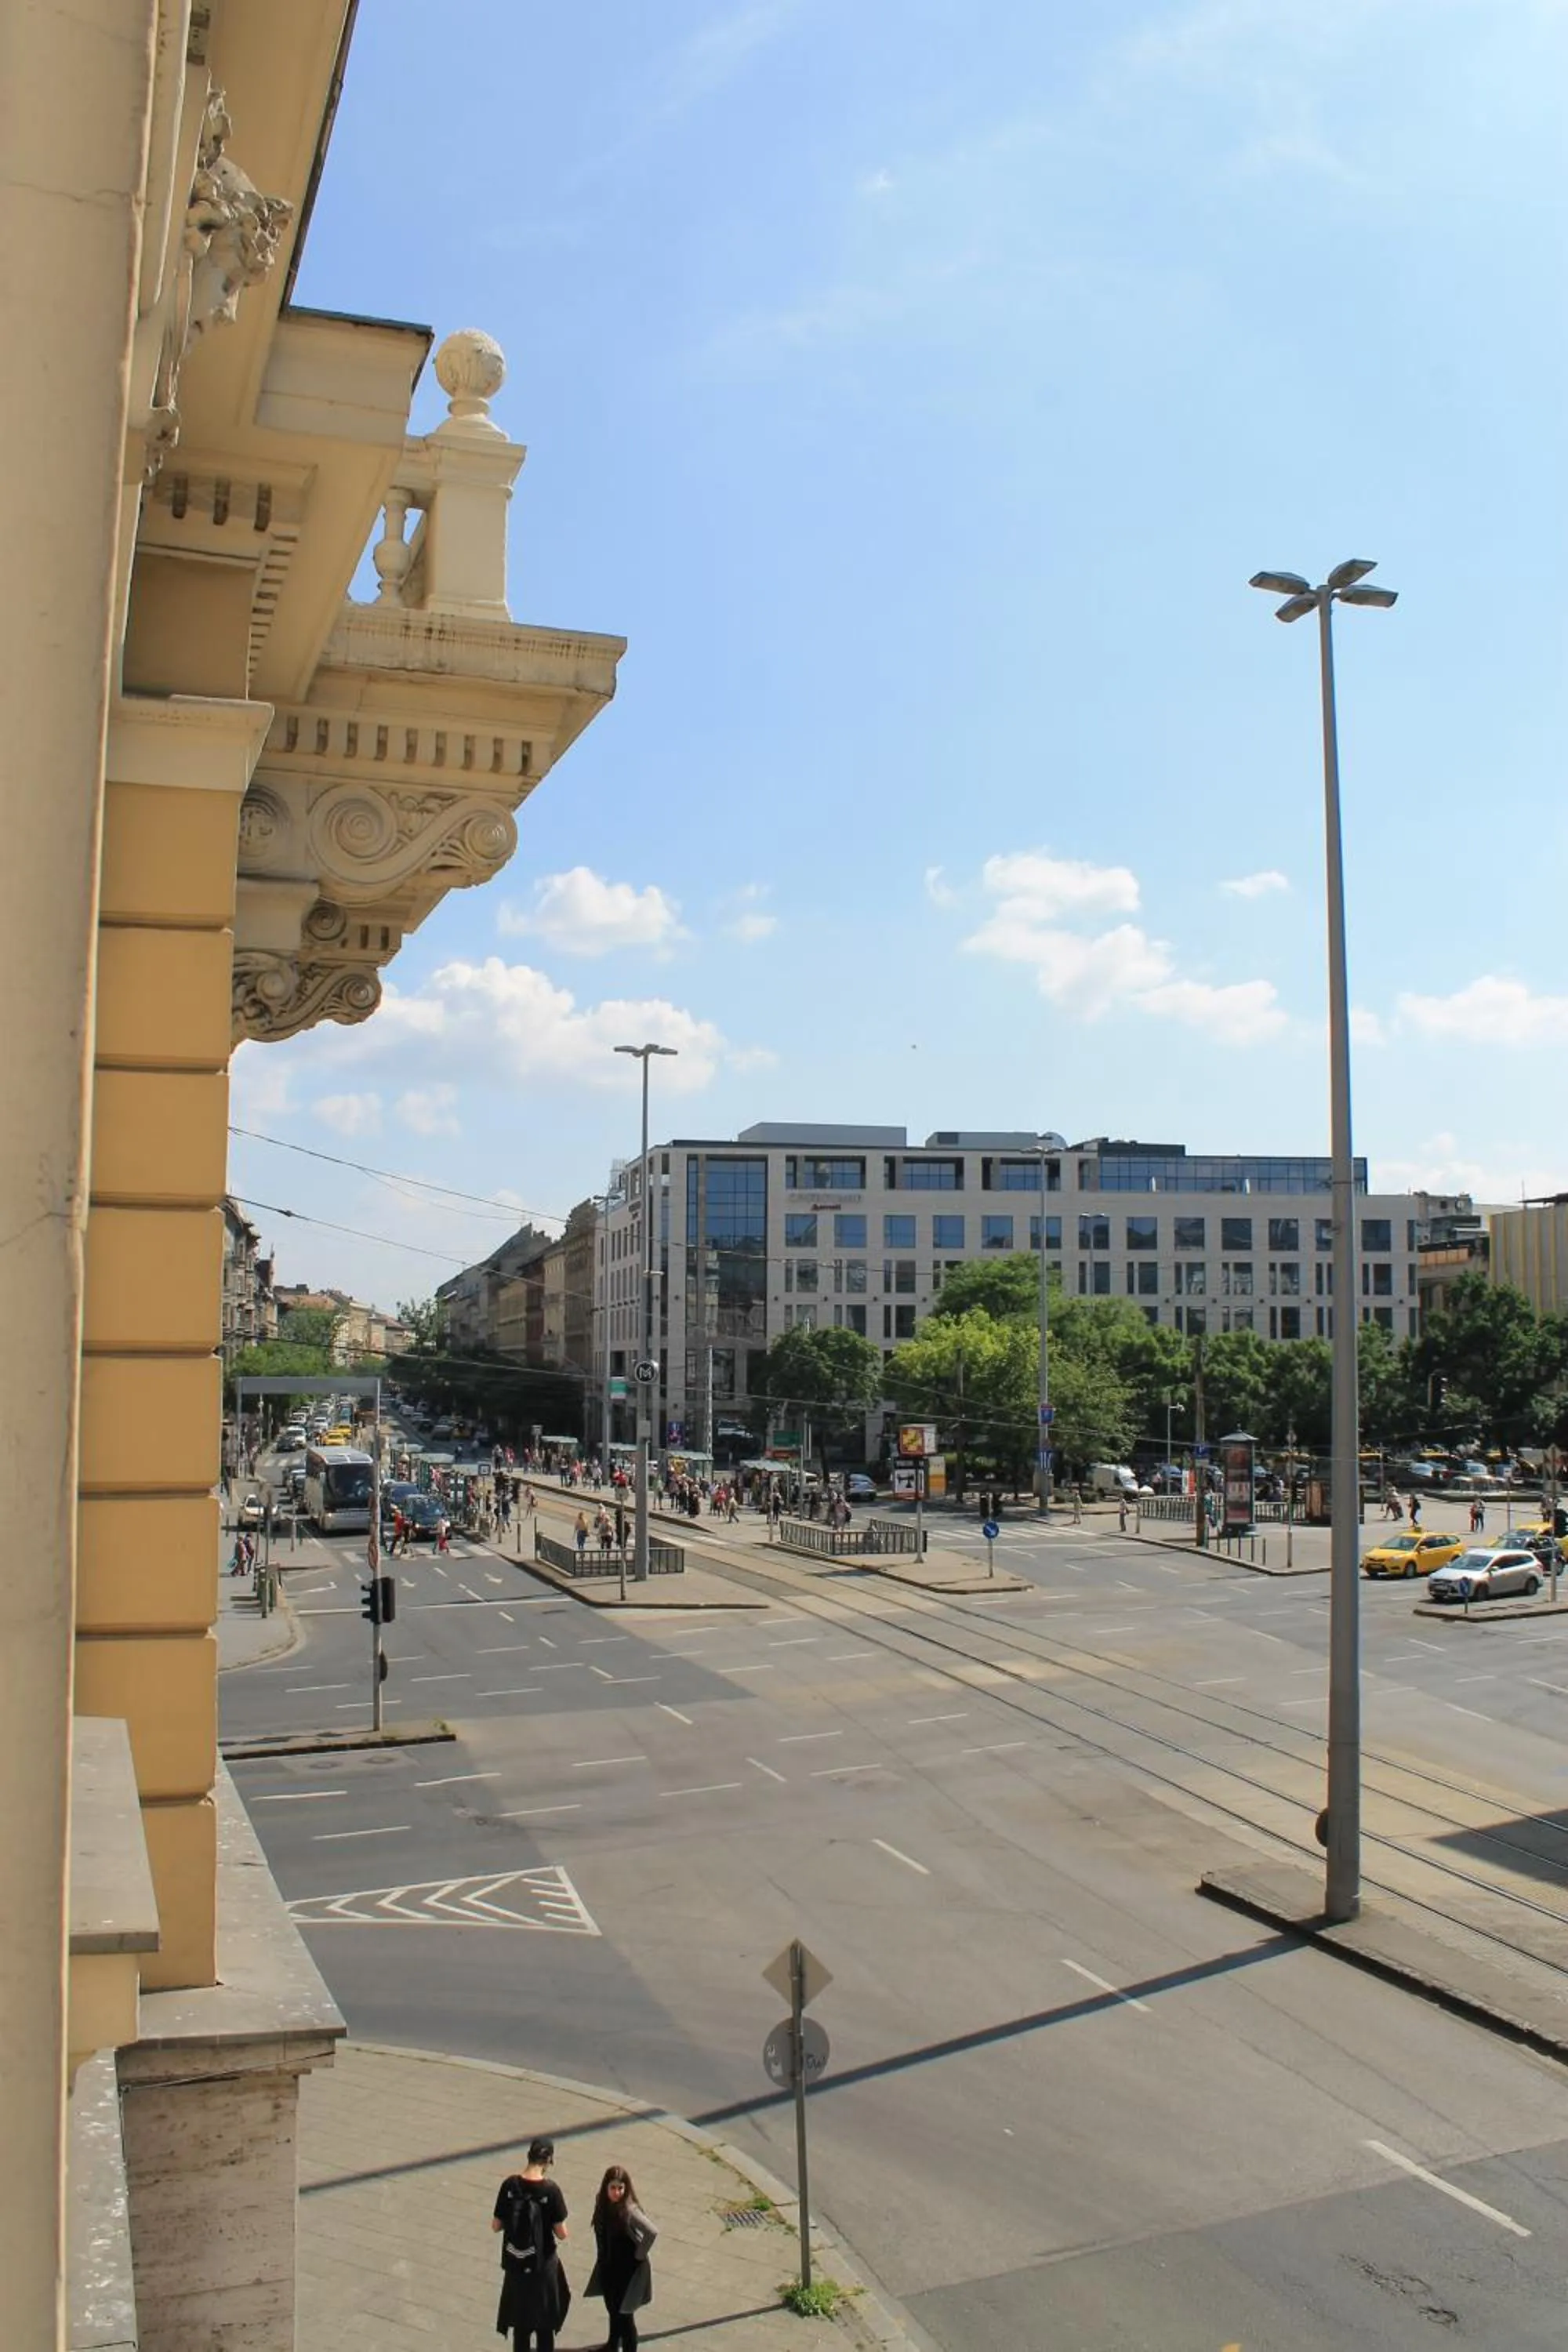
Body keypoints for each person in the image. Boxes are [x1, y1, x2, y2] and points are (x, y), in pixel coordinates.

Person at [492, 2138, 569, 2350]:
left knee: (521, 2327)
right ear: (548, 2161)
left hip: (516, 2265)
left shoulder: (510, 2185)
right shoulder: (551, 2190)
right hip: (543, 2266)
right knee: (545, 2328)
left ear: (529, 2156)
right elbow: (561, 2233)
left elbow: (496, 2225)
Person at [586, 2165, 656, 2352]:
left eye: (620, 2188)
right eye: (613, 2188)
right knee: (612, 2309)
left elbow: (651, 2232)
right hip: (608, 2266)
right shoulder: (601, 2204)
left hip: (627, 2272)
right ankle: (611, 2344)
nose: (617, 2192)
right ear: (606, 2187)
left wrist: (638, 2256)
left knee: (625, 2316)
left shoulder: (629, 2210)